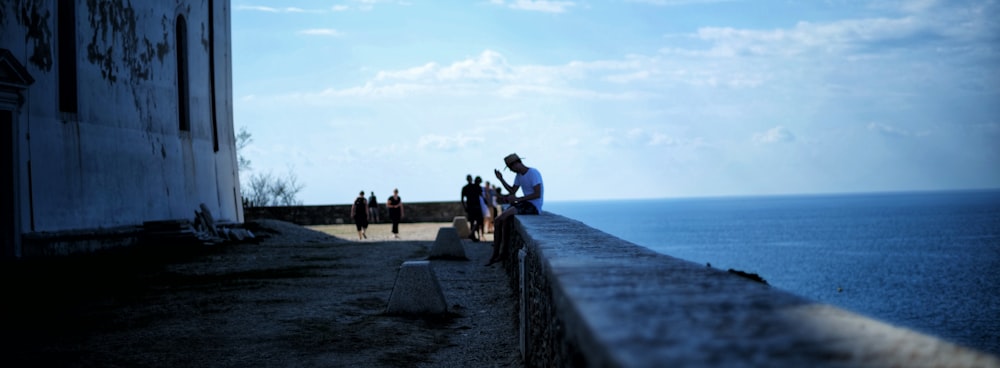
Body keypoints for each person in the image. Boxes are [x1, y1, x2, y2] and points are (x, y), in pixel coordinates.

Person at [487, 153, 543, 265]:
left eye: (511, 168)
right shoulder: (519, 176)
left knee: (499, 219)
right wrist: (501, 179)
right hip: (524, 203)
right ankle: (498, 254)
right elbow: (512, 191)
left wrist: (519, 199)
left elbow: (537, 194)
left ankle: (498, 254)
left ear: (517, 163)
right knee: (503, 221)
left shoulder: (533, 173)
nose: (512, 171)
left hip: (532, 207)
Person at [461, 174, 484, 242]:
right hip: (475, 206)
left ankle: (473, 234)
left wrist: (465, 207)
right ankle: (473, 235)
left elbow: (462, 199)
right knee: (477, 221)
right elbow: (481, 195)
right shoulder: (475, 186)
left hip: (471, 207)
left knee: (473, 222)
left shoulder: (466, 188)